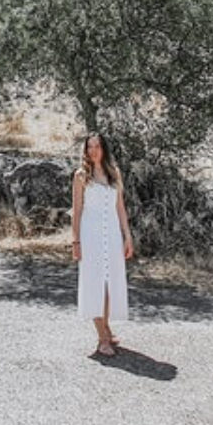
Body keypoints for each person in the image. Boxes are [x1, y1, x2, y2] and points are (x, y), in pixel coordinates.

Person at [71, 133, 133, 356]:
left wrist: (127, 236)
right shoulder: (80, 176)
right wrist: (75, 240)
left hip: (113, 235)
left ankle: (106, 328)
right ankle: (102, 339)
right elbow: (76, 211)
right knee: (93, 284)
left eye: (97, 146)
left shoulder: (114, 173)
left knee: (109, 285)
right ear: (86, 150)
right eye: (90, 147)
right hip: (90, 236)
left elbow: (120, 208)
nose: (94, 150)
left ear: (104, 148)